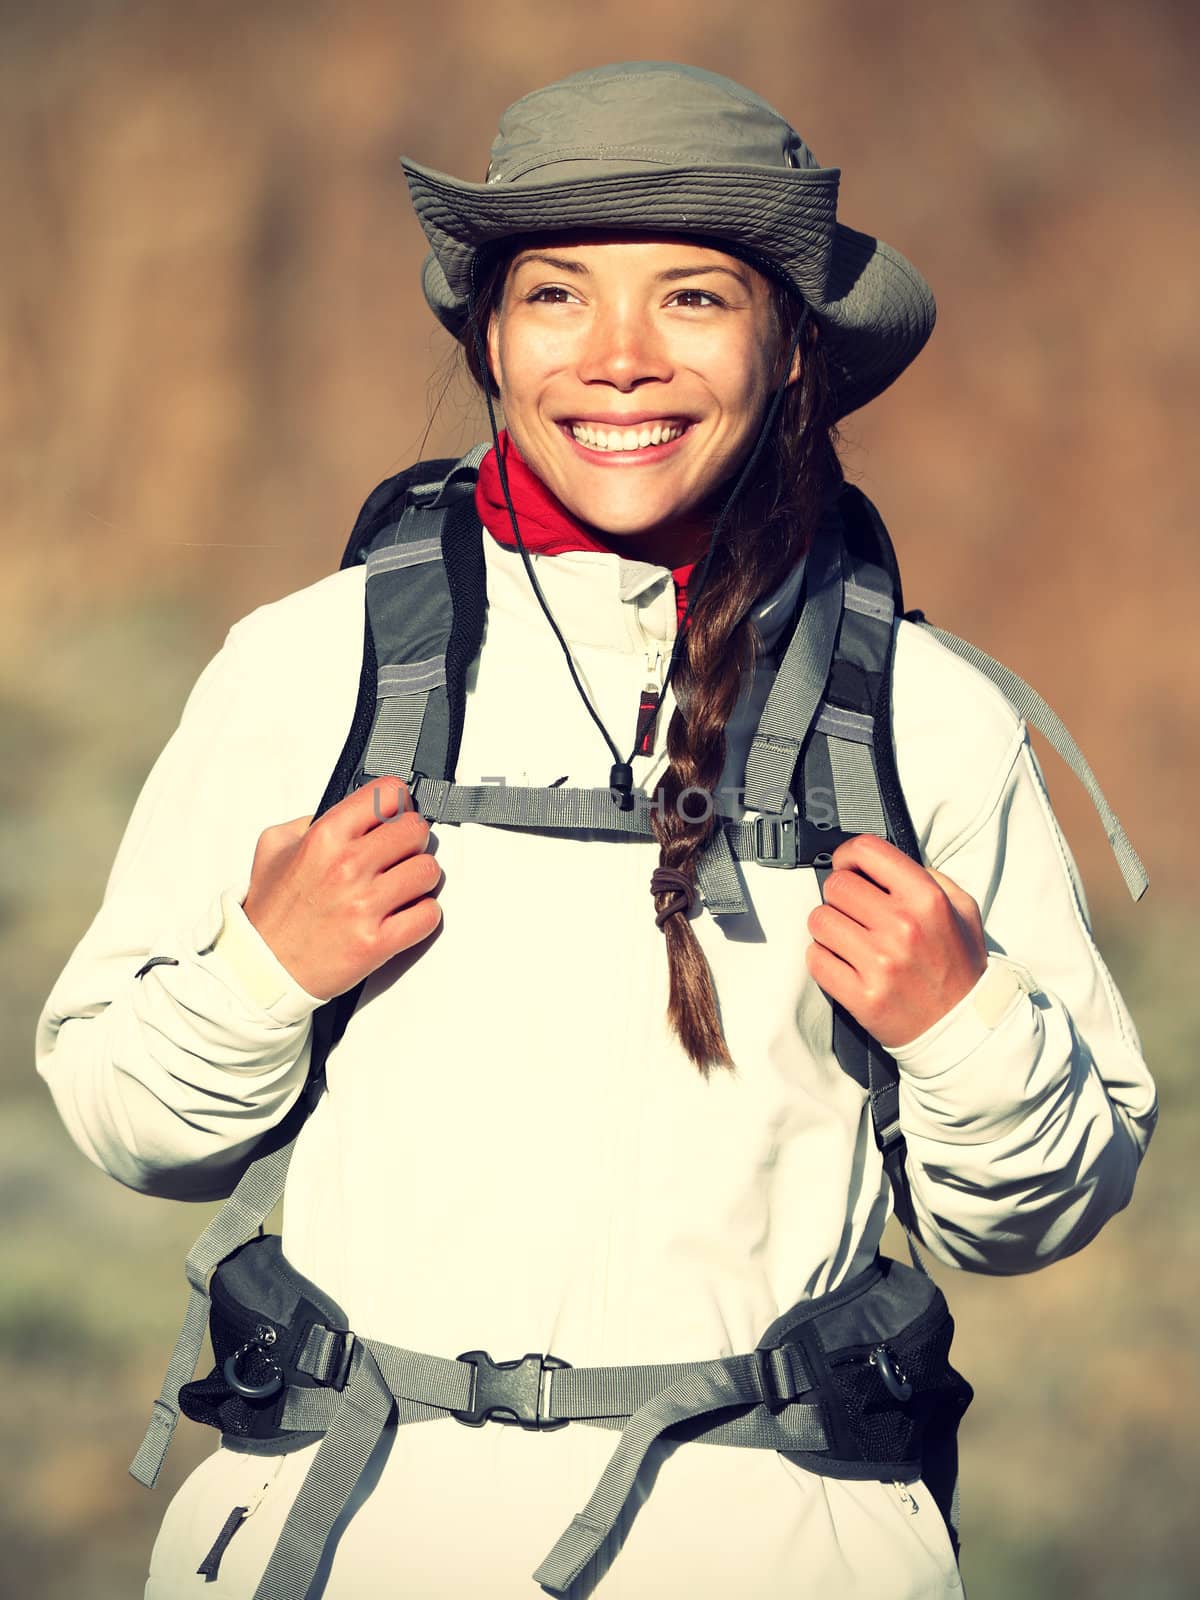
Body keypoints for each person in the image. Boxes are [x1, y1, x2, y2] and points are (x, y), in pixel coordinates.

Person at [36, 61, 1157, 1600]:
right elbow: (123, 1116)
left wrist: (964, 1029)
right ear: (492, 341)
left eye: (694, 298)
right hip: (348, 1552)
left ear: (790, 351)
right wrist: (257, 973)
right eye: (557, 297)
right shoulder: (314, 664)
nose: (617, 359)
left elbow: (1045, 1211)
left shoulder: (928, 715)